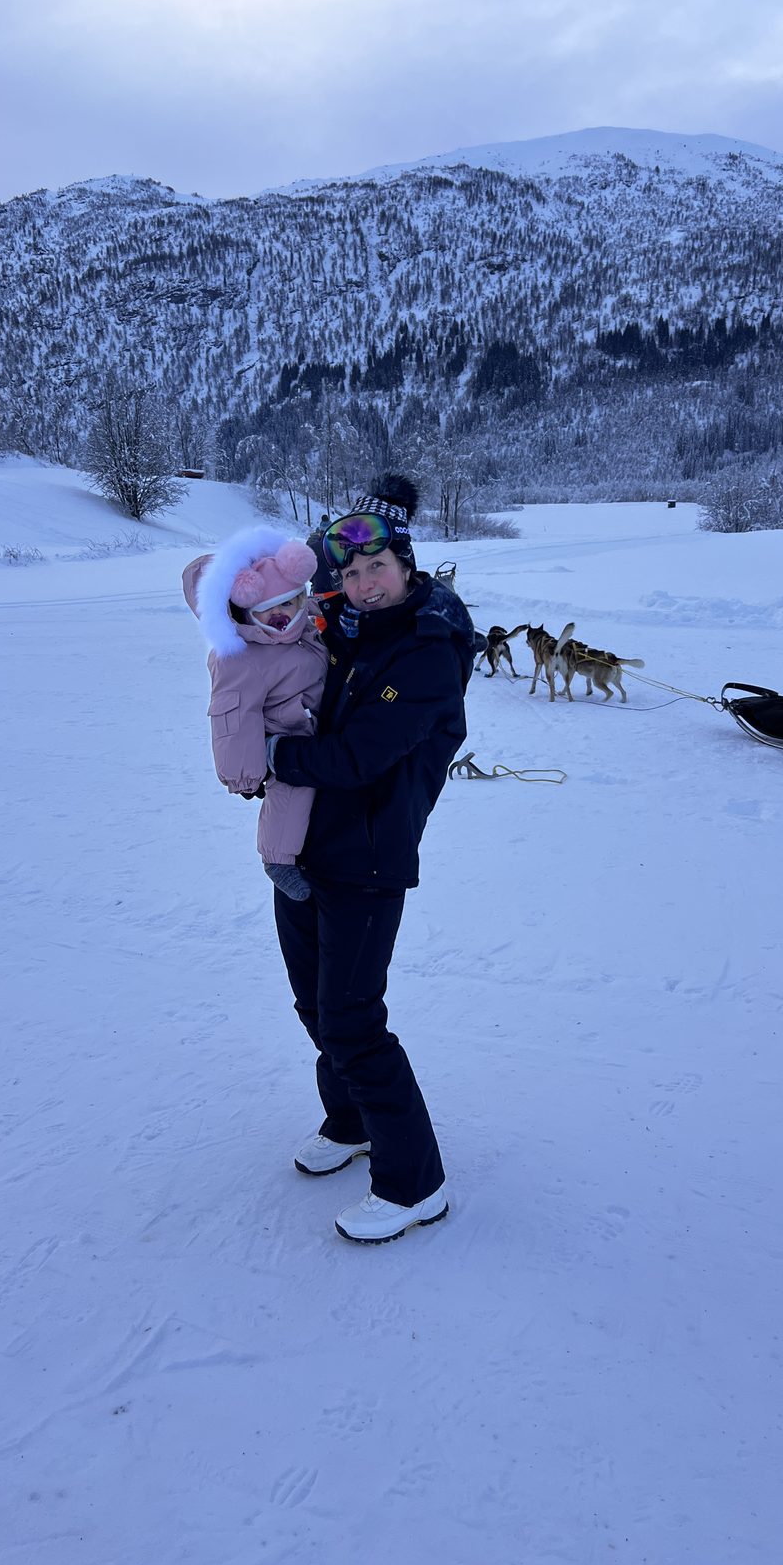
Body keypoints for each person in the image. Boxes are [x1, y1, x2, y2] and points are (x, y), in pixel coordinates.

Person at [265, 475, 476, 1244]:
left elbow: (357, 757)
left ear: (407, 565)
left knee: (353, 1020)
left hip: (369, 859)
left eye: (374, 568)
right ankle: (350, 1120)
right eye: (349, 573)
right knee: (316, 1008)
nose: (361, 583)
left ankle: (415, 1184)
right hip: (304, 850)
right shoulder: (348, 631)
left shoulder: (427, 648)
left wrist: (276, 756)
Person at [182, 530, 328, 900]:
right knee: (293, 788)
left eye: (289, 604)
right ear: (247, 609)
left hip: (314, 724)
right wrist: (245, 773)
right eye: (267, 608)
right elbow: (232, 715)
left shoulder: (305, 630)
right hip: (283, 734)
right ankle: (277, 858)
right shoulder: (242, 657)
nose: (280, 615)